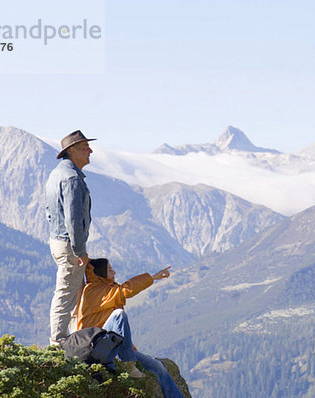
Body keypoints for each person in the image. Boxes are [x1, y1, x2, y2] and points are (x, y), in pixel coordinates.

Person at [77, 258, 184, 398]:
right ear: (100, 273)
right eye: (109, 270)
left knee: (158, 367)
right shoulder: (93, 291)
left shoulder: (107, 289)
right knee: (118, 314)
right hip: (96, 347)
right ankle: (128, 364)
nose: (114, 271)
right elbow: (125, 291)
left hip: (113, 347)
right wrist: (152, 277)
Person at [45, 130, 96, 346]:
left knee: (73, 291)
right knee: (66, 293)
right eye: (85, 147)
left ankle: (73, 339)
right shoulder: (72, 179)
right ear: (72, 151)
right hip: (69, 243)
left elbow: (50, 211)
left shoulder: (56, 174)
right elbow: (74, 219)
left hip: (57, 240)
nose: (90, 151)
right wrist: (79, 250)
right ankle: (58, 342)